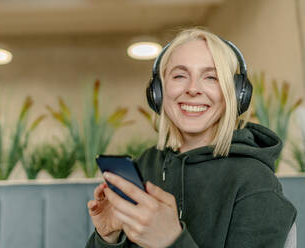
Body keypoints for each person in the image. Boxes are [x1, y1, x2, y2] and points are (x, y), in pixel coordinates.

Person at [85, 28, 297, 248]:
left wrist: (172, 241)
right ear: (158, 91)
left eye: (211, 77)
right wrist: (107, 238)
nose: (193, 89)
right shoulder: (146, 165)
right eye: (179, 75)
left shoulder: (255, 182)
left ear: (235, 94)